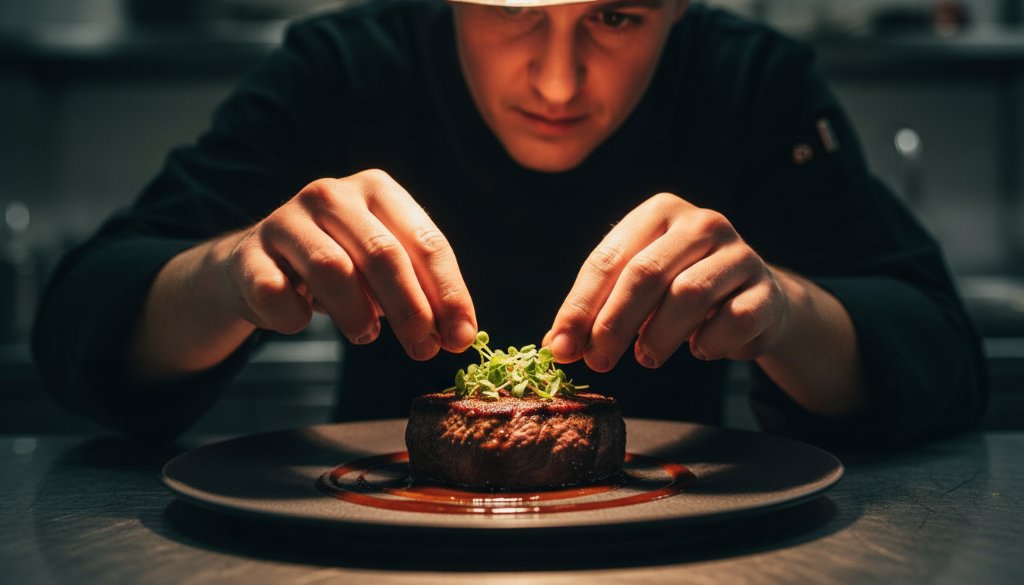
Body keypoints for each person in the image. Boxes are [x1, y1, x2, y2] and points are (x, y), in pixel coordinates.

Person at [32, 0, 987, 446]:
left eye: (617, 18)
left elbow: (944, 356)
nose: (559, 82)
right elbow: (80, 324)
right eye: (511, 12)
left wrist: (788, 310)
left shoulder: (753, 83)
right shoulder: (344, 65)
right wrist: (226, 274)